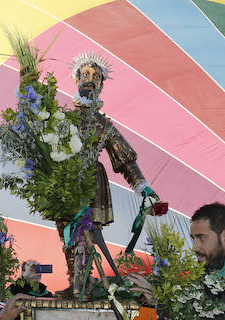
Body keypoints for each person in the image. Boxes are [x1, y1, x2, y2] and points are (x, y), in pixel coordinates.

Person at [60, 53, 160, 294]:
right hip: (64, 183)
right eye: (85, 74)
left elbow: (125, 160)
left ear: (101, 85)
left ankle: (80, 286)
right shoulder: (61, 119)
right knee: (67, 236)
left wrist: (142, 186)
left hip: (93, 184)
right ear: (76, 79)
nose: (89, 80)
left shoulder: (104, 125)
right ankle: (75, 282)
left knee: (86, 236)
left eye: (95, 76)